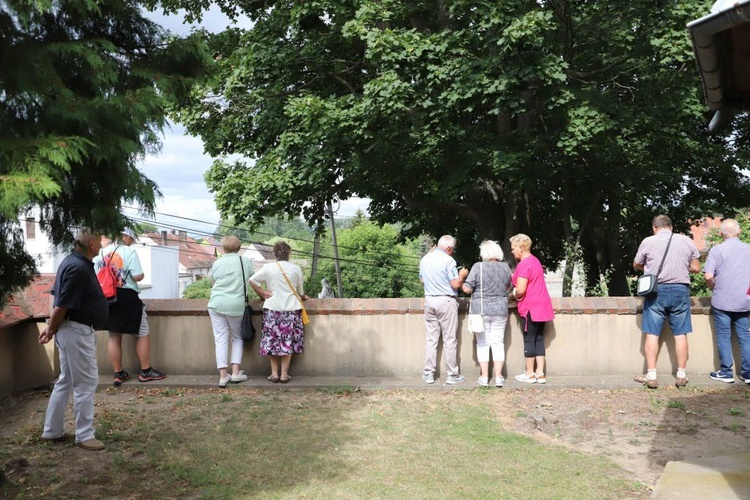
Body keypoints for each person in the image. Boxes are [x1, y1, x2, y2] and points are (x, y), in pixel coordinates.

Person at [39, 228, 109, 451]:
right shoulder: (77, 267)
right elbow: (61, 304)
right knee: (86, 382)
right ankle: (85, 435)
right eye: (99, 242)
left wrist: (52, 328)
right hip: (76, 331)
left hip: (72, 330)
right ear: (91, 245)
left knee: (66, 380)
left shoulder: (71, 262)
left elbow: (55, 297)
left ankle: (52, 430)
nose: (101, 245)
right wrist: (51, 328)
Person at [633, 214, 701, 389]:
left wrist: (649, 267)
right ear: (671, 226)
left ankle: (652, 375)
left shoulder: (648, 241)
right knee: (680, 333)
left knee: (652, 333)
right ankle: (681, 374)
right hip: (680, 290)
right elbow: (696, 268)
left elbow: (637, 264)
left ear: (655, 227)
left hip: (656, 291)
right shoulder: (686, 241)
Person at [95, 228, 166, 386]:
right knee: (141, 332)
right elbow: (137, 275)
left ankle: (118, 373)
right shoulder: (128, 252)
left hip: (107, 297)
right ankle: (146, 371)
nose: (131, 243)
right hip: (127, 296)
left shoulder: (100, 253)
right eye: (131, 239)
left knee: (113, 335)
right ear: (126, 236)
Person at [249, 241, 309, 383]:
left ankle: (274, 373)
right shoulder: (296, 268)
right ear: (288, 253)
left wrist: (263, 293)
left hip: (272, 308)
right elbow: (300, 292)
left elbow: (252, 280)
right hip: (291, 309)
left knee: (272, 341)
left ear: (275, 254)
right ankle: (284, 375)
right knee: (287, 341)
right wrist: (304, 296)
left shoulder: (268, 268)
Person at [703, 218, 750, 384]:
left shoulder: (717, 250)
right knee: (744, 336)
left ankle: (726, 372)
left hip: (722, 299)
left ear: (721, 233)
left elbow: (708, 275)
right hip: (744, 300)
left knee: (723, 336)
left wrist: (714, 287)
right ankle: (747, 373)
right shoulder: (748, 250)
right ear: (739, 232)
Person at [419, 235, 469, 384]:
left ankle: (428, 373)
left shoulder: (425, 259)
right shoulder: (449, 260)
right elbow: (455, 284)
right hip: (446, 300)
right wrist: (462, 275)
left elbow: (422, 279)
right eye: (453, 250)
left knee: (431, 339)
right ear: (448, 248)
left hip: (429, 299)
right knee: (449, 339)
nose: (453, 252)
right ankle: (452, 374)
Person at [461, 240, 512, 387]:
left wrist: (462, 278)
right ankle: (499, 377)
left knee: (482, 343)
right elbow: (510, 286)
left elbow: (467, 289)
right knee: (498, 343)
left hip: (481, 310)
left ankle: (484, 377)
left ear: (484, 252)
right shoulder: (505, 268)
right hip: (500, 309)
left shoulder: (478, 267)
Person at [208, 235, 255, 388]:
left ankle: (223, 376)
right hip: (236, 304)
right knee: (236, 337)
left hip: (216, 303)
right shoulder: (245, 261)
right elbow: (251, 278)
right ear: (239, 247)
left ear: (223, 248)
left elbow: (213, 283)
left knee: (220, 339)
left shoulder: (217, 263)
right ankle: (235, 373)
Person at [509, 234, 555, 384]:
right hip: (542, 305)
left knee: (529, 338)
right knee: (539, 338)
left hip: (530, 307)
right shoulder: (535, 261)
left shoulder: (523, 264)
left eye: (514, 248)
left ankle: (529, 373)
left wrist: (512, 294)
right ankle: (540, 373)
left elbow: (521, 290)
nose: (512, 251)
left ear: (521, 248)